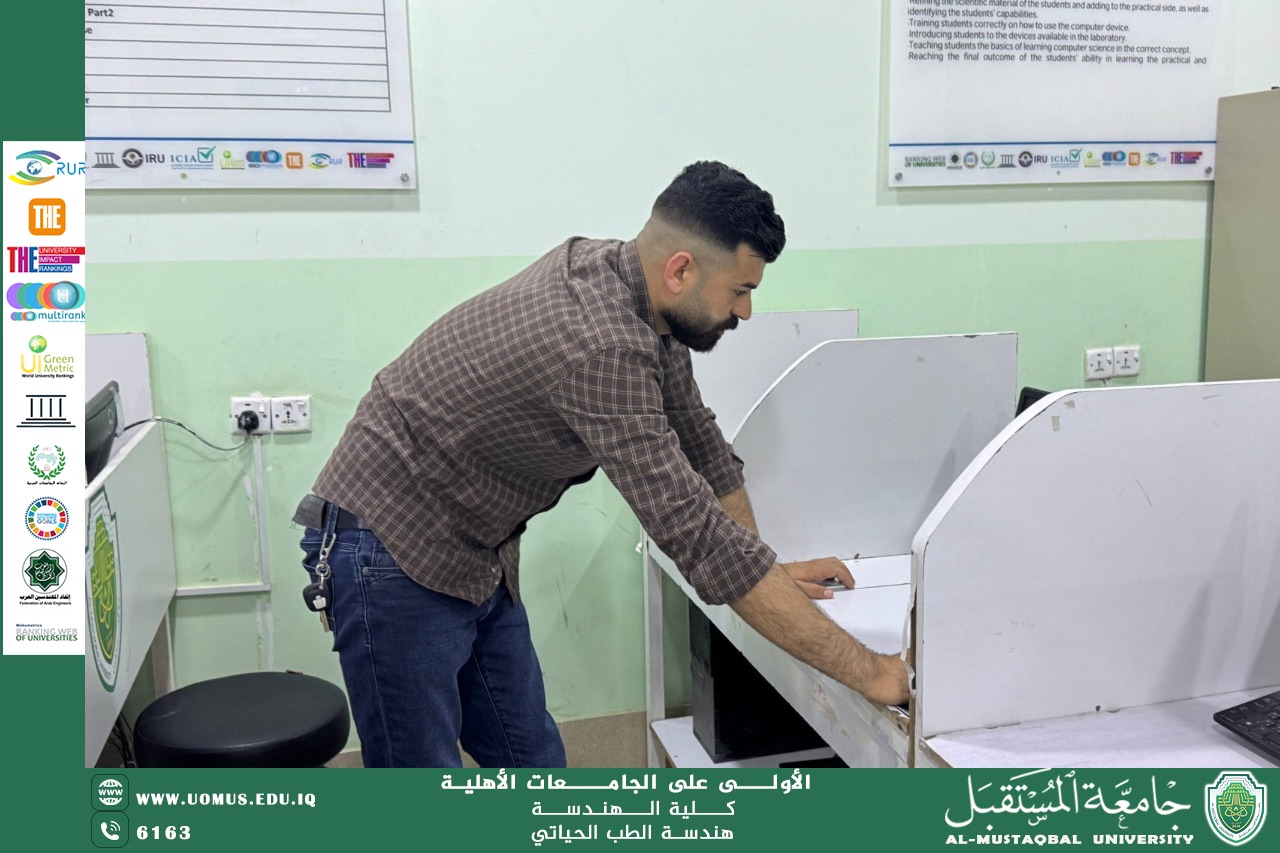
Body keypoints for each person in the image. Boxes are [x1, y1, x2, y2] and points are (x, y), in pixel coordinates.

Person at [295, 161, 909, 768]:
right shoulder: (600, 343)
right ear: (681, 270)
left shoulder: (633, 288)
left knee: (530, 759)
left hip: (476, 548)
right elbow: (695, 536)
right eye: (740, 290)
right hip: (388, 545)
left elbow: (701, 446)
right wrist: (876, 674)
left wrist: (767, 567)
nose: (744, 312)